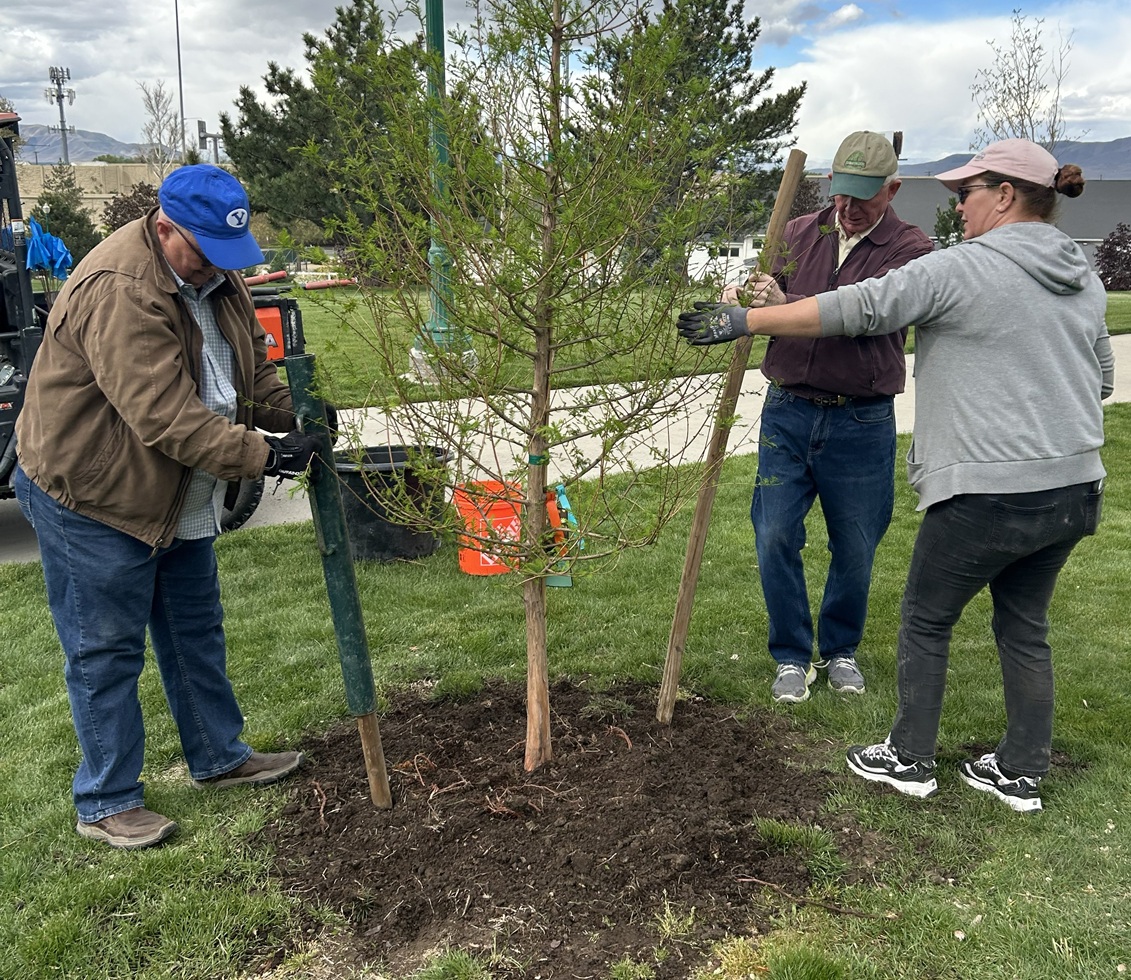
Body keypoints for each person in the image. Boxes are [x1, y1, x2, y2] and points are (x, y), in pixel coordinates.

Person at [679, 138, 1114, 813]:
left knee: (925, 620)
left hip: (987, 490)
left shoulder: (959, 267)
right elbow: (1103, 377)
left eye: (965, 194)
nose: (959, 209)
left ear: (1003, 196)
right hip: (1073, 489)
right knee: (1023, 626)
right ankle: (1019, 771)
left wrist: (745, 320)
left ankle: (909, 760)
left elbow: (857, 308)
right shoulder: (1081, 277)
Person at [15, 164, 324, 849]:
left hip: (175, 486)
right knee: (105, 650)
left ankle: (218, 757)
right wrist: (264, 454)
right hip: (96, 493)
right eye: (205, 249)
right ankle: (106, 800)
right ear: (163, 227)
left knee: (193, 629)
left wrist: (295, 411)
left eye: (227, 252)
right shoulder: (118, 289)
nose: (219, 265)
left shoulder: (214, 270)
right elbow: (164, 417)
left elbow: (249, 367)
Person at [720, 131, 933, 704]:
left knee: (856, 544)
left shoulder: (911, 251)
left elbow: (859, 316)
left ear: (893, 189)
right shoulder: (799, 231)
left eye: (863, 196)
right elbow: (770, 293)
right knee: (773, 533)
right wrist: (754, 292)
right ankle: (791, 654)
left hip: (860, 422)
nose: (847, 207)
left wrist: (777, 310)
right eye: (840, 193)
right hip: (788, 411)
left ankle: (840, 650)